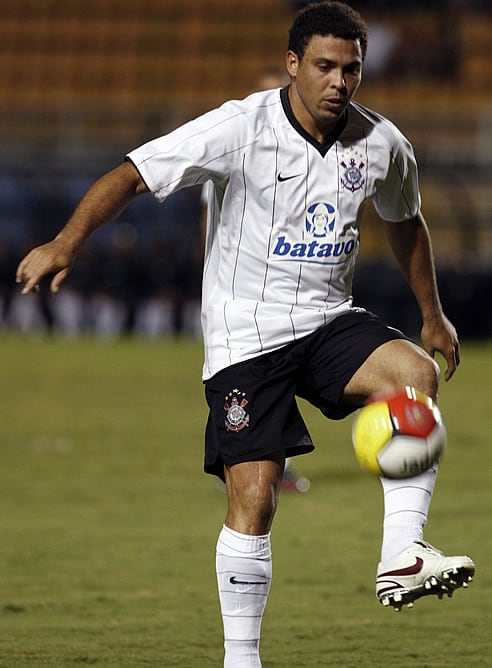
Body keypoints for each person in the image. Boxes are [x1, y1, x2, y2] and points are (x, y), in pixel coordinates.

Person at [16, 2, 475, 666]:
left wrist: (432, 314)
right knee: (255, 501)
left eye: (351, 69)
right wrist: (66, 241)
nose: (338, 82)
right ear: (293, 65)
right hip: (246, 337)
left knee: (415, 375)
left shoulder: (382, 144)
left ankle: (403, 555)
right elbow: (133, 174)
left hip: (326, 320)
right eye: (323, 67)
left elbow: (406, 222)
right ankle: (241, 659)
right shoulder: (240, 126)